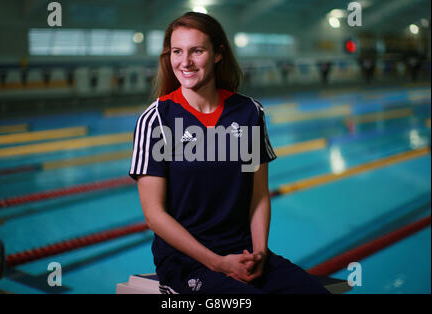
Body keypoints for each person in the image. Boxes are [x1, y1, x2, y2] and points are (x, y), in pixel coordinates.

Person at [129, 11, 329, 294]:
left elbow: (259, 195)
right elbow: (154, 215)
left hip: (245, 253)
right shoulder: (157, 119)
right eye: (177, 51)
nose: (184, 62)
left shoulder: (249, 112)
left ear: (218, 54)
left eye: (196, 51)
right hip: (188, 263)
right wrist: (218, 263)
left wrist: (259, 254)